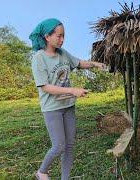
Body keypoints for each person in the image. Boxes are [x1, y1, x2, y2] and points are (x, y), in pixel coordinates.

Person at [29, 18, 105, 180]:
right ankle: (42, 172)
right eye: (59, 36)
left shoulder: (63, 53)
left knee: (69, 145)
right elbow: (45, 87)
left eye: (64, 36)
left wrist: (95, 64)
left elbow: (78, 63)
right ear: (47, 37)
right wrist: (72, 90)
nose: (62, 39)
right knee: (59, 146)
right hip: (52, 108)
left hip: (68, 106)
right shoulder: (39, 58)